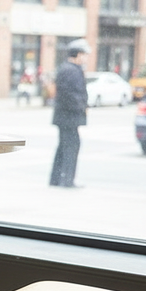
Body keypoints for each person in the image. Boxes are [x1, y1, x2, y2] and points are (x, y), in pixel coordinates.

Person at [49, 38, 90, 188]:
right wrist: (81, 106)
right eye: (85, 54)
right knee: (71, 147)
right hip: (68, 117)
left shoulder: (68, 69)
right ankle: (66, 180)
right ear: (78, 54)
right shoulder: (70, 70)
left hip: (66, 117)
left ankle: (56, 180)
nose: (86, 58)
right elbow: (69, 95)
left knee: (64, 147)